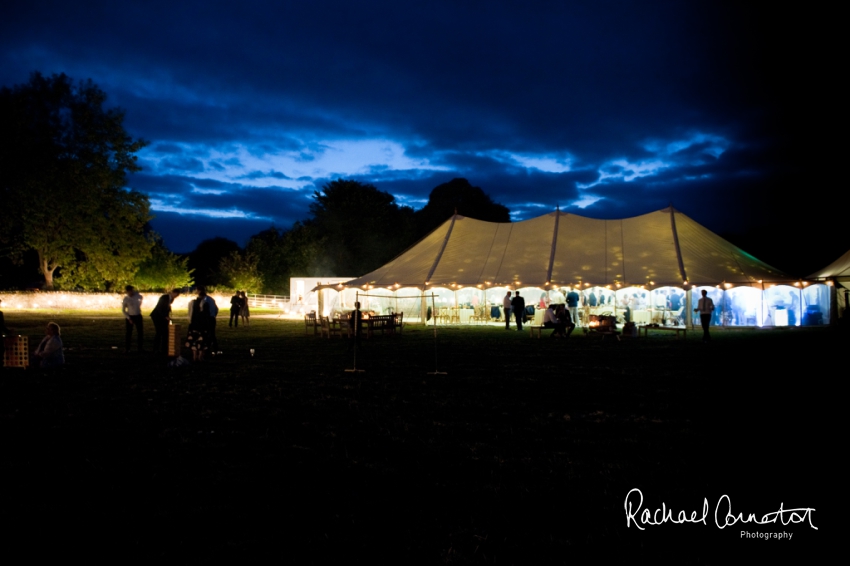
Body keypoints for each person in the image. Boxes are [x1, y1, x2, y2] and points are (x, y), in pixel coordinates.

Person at [150, 289, 181, 354]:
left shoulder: (171, 299)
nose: (176, 296)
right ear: (173, 292)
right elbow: (159, 308)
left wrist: (167, 315)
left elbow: (167, 307)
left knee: (165, 332)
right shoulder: (164, 297)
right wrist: (165, 316)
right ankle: (156, 349)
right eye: (176, 295)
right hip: (157, 316)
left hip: (163, 317)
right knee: (159, 332)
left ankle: (164, 348)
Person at [187, 290, 211, 361]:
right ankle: (200, 356)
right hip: (202, 325)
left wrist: (190, 322)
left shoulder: (192, 302)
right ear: (204, 296)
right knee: (202, 340)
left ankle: (194, 355)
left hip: (193, 324)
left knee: (193, 339)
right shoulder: (205, 303)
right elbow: (207, 315)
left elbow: (189, 313)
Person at [122, 285, 144, 353]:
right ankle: (127, 348)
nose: (130, 293)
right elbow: (123, 310)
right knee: (128, 333)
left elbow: (141, 298)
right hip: (130, 316)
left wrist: (139, 306)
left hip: (138, 316)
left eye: (131, 291)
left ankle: (140, 348)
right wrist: (129, 318)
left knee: (140, 333)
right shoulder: (126, 299)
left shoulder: (137, 296)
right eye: (129, 291)